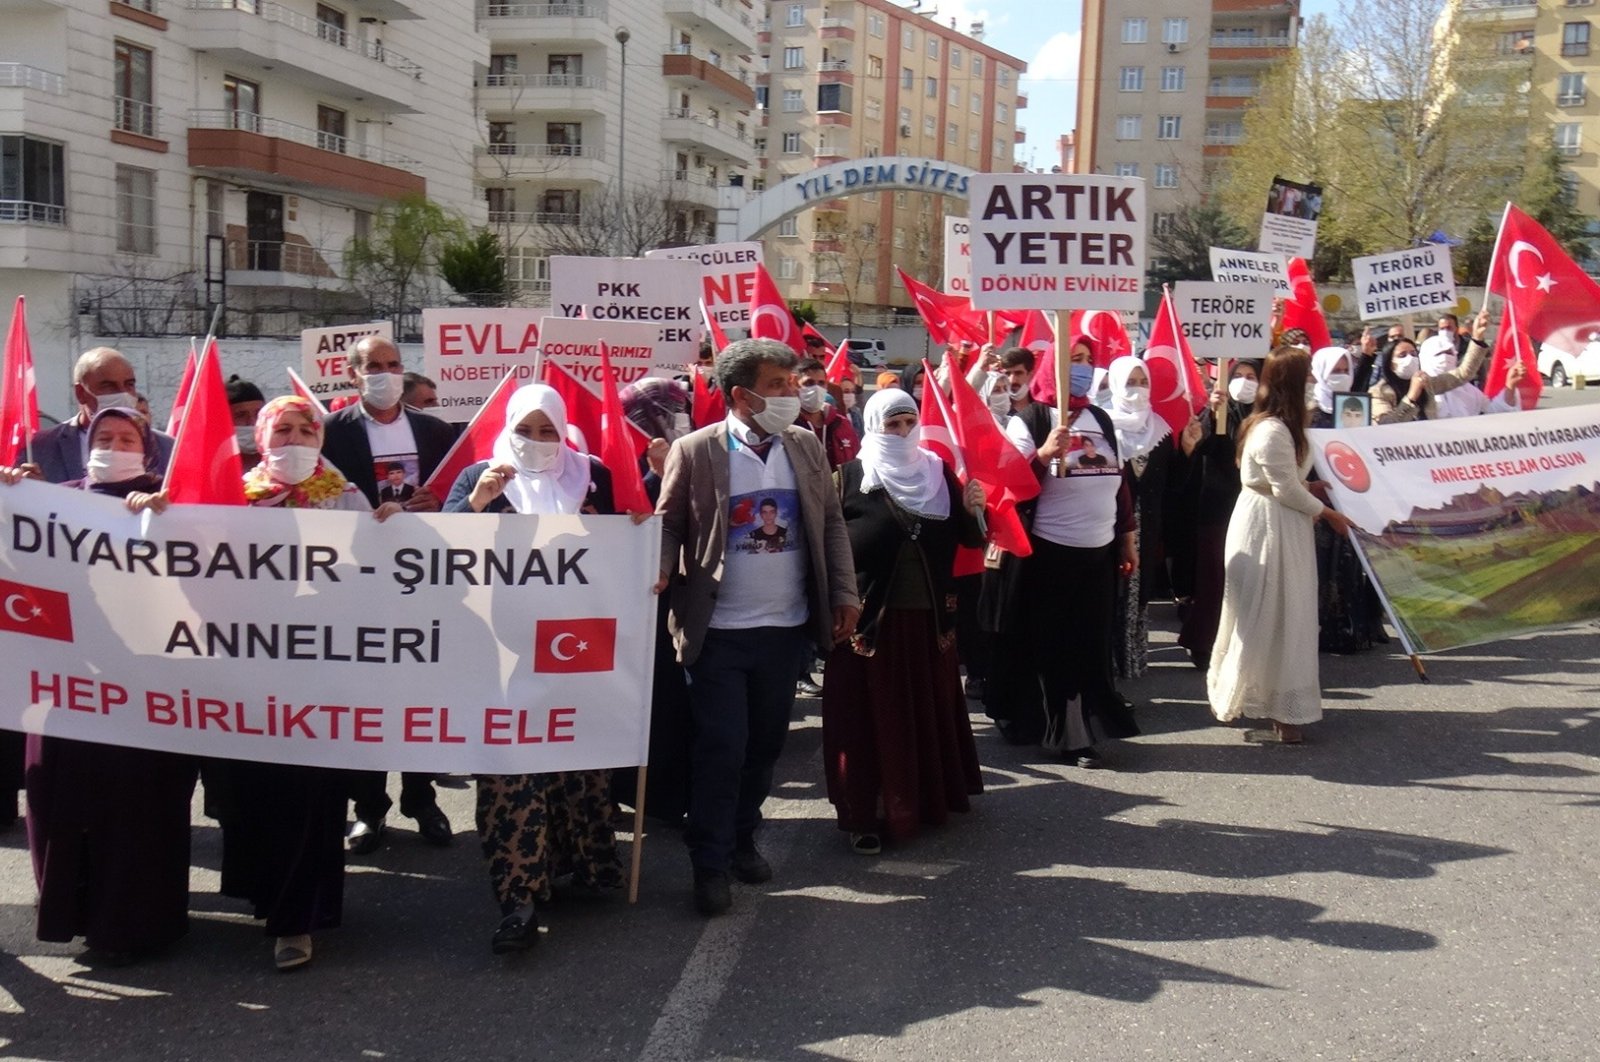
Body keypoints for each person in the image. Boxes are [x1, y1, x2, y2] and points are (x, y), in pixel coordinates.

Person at [656, 338, 860, 916]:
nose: (793, 394)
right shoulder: (696, 451)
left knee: (765, 746)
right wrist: (661, 563)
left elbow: (831, 523)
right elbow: (669, 523)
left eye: (793, 383)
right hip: (718, 630)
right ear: (741, 395)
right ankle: (710, 862)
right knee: (723, 746)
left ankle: (744, 835)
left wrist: (844, 592)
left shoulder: (805, 446)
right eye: (778, 385)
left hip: (786, 630)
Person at [7, 408, 197, 965]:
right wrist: (13, 497)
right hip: (65, 682)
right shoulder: (55, 499)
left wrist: (168, 519)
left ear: (148, 449)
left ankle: (137, 925)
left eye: (127, 439)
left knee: (139, 804)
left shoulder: (168, 500)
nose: (114, 447)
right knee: (59, 796)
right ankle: (74, 914)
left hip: (144, 683)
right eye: (104, 438)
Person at [444, 384, 625, 953]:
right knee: (510, 769)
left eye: (549, 431)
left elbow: (619, 545)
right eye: (526, 430)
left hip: (574, 646)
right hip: (498, 651)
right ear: (508, 428)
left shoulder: (591, 474)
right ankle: (517, 897)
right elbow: (434, 556)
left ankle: (575, 870)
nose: (538, 442)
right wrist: (476, 505)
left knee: (574, 760)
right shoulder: (479, 478)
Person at [216, 396, 376, 971]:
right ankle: (267, 897)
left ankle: (298, 921)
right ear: (261, 437)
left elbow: (375, 578)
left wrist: (390, 534)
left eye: (306, 429)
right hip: (248, 672)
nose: (294, 438)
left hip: (319, 674)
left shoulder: (349, 497)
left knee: (310, 796)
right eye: (281, 429)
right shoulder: (231, 498)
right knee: (256, 794)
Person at [823, 389, 986, 853]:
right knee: (869, 720)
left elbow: (970, 539)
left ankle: (925, 803)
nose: (902, 433)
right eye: (892, 424)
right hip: (868, 626)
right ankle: (866, 815)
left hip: (929, 621)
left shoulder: (939, 474)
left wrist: (976, 509)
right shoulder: (846, 479)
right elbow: (827, 545)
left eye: (909, 423)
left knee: (923, 714)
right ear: (873, 425)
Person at [319, 335, 457, 853]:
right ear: (352, 374)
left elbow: (458, 496)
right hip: (357, 582)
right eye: (372, 366)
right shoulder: (330, 433)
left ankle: (421, 798)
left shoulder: (436, 430)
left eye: (393, 364)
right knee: (367, 698)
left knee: (421, 695)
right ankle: (368, 810)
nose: (384, 373)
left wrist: (435, 500)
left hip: (424, 581)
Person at [988, 334, 1139, 766]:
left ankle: (1087, 720)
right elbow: (1008, 488)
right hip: (1049, 555)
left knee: (1091, 644)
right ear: (1052, 365)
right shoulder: (1031, 420)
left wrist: (1127, 537)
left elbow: (1119, 486)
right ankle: (1070, 735)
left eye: (1089, 360)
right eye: (1074, 359)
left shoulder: (1101, 420)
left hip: (1101, 552)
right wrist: (1042, 454)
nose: (1084, 367)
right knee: (1057, 646)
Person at [1208, 348, 1356, 744]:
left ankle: (1282, 707)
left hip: (1284, 524)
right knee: (1272, 613)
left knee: (1289, 613)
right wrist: (1328, 513)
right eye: (1306, 377)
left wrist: (1312, 488)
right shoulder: (1272, 429)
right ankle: (1276, 709)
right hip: (1266, 528)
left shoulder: (1285, 427)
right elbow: (1283, 487)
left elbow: (1289, 482)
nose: (1312, 384)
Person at [1176, 360, 1260, 669]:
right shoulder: (1218, 412)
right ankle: (1202, 642)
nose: (1244, 382)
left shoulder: (1265, 416)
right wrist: (1212, 413)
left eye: (1251, 377)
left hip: (1251, 506)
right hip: (1216, 506)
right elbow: (1206, 444)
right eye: (1237, 376)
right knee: (1213, 579)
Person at [1105, 355, 1173, 680]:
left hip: (1149, 527)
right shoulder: (1103, 426)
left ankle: (1133, 659)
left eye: (1143, 381)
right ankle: (1110, 660)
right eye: (1130, 382)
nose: (1138, 389)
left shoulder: (1161, 430)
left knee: (1139, 591)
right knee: (1113, 590)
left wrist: (1187, 451)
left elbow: (1174, 486)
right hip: (1112, 524)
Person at [30, 346, 175, 483]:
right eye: (109, 386)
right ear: (81, 393)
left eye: (129, 384)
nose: (123, 394)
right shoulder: (40, 447)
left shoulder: (167, 448)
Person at [1419, 333, 1523, 418]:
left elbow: (1492, 414)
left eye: (1449, 353)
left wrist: (1510, 386)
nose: (1445, 358)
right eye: (1439, 354)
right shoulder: (1418, 393)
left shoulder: (1469, 391)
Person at [795, 357, 860, 470]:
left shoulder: (842, 423)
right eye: (809, 383)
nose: (816, 388)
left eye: (821, 383)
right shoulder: (788, 425)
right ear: (796, 385)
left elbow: (855, 464)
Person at [1308, 346, 1355, 429]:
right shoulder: (1309, 407)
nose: (1343, 376)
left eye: (1346, 371)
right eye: (1336, 371)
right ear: (1321, 372)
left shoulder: (1356, 406)